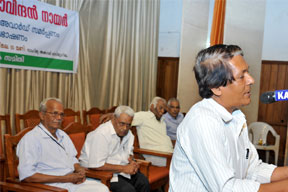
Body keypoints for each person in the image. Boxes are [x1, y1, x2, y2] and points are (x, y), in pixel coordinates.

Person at [169, 44, 288, 192]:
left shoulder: (236, 117)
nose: (251, 80)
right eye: (241, 76)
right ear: (216, 87)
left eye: (248, 72)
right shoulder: (202, 121)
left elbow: (253, 170)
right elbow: (227, 188)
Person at [17, 98, 109, 192]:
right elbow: (27, 176)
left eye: (61, 114)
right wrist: (65, 178)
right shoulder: (31, 139)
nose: (59, 118)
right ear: (42, 115)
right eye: (54, 113)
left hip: (70, 182)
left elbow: (73, 159)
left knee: (103, 188)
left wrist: (79, 169)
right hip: (49, 186)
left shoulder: (63, 135)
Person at [79, 105, 150, 192]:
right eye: (122, 124)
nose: (125, 128)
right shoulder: (101, 134)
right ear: (114, 119)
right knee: (128, 190)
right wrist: (124, 168)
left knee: (143, 182)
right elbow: (96, 165)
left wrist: (132, 162)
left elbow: (129, 153)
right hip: (100, 174)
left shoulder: (128, 133)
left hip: (119, 171)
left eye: (128, 125)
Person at [132, 97, 173, 167]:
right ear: (152, 106)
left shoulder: (162, 121)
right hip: (155, 155)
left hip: (168, 154)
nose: (163, 111)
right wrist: (112, 115)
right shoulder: (143, 116)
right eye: (160, 108)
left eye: (164, 110)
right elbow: (126, 117)